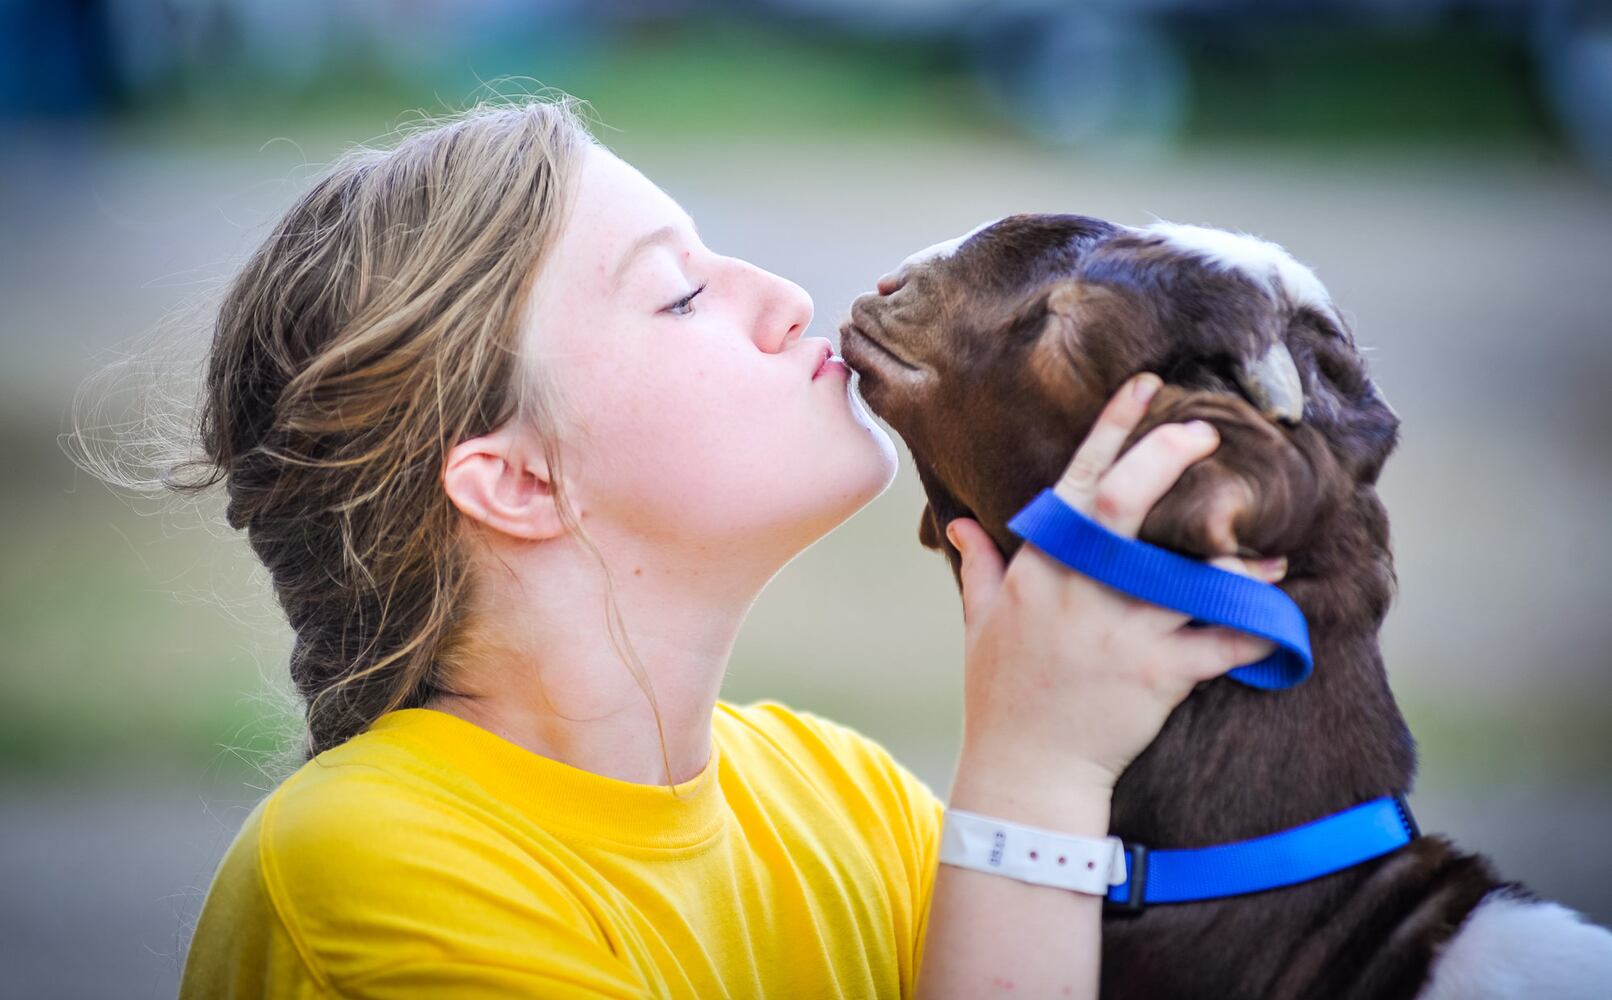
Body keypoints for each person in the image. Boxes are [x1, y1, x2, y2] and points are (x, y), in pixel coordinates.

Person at [171, 96, 1286, 999]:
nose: (786, 300)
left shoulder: (844, 799)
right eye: (680, 293)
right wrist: (1038, 771)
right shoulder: (365, 872)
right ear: (516, 479)